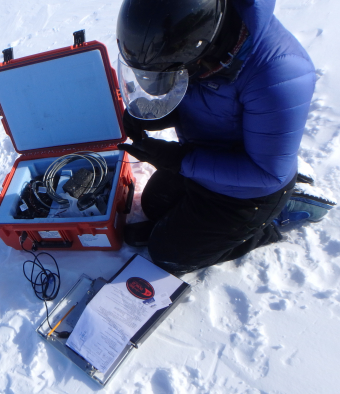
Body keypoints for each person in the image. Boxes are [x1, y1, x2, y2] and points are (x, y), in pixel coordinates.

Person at [115, 0, 317, 274]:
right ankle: (189, 228)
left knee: (167, 255)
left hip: (248, 193)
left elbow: (267, 173)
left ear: (201, 50)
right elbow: (204, 100)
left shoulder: (279, 75)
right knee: (152, 205)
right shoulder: (205, 46)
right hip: (205, 161)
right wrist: (156, 112)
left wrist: (180, 160)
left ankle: (269, 222)